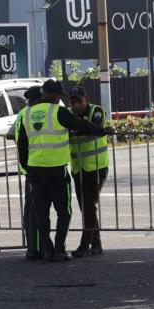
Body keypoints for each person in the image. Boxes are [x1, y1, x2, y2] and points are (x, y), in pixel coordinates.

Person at [16, 80, 111, 262]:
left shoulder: (28, 114)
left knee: (41, 212)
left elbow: (22, 144)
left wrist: (28, 168)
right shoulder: (57, 111)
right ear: (53, 96)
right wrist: (102, 131)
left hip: (35, 170)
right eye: (59, 96)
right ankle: (59, 249)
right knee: (64, 212)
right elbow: (81, 125)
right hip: (56, 170)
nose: (61, 99)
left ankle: (47, 251)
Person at [67, 86, 109, 258]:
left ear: (87, 100)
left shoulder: (96, 111)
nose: (76, 106)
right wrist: (80, 129)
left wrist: (77, 129)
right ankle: (97, 245)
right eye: (73, 102)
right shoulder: (68, 114)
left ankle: (85, 245)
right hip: (78, 168)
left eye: (79, 102)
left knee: (89, 205)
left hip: (96, 166)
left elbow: (95, 130)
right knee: (85, 207)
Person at [11, 86, 44, 261]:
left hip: (27, 167)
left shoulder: (22, 113)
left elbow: (11, 134)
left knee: (30, 208)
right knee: (35, 210)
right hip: (35, 166)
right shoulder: (33, 114)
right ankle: (35, 248)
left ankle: (33, 246)